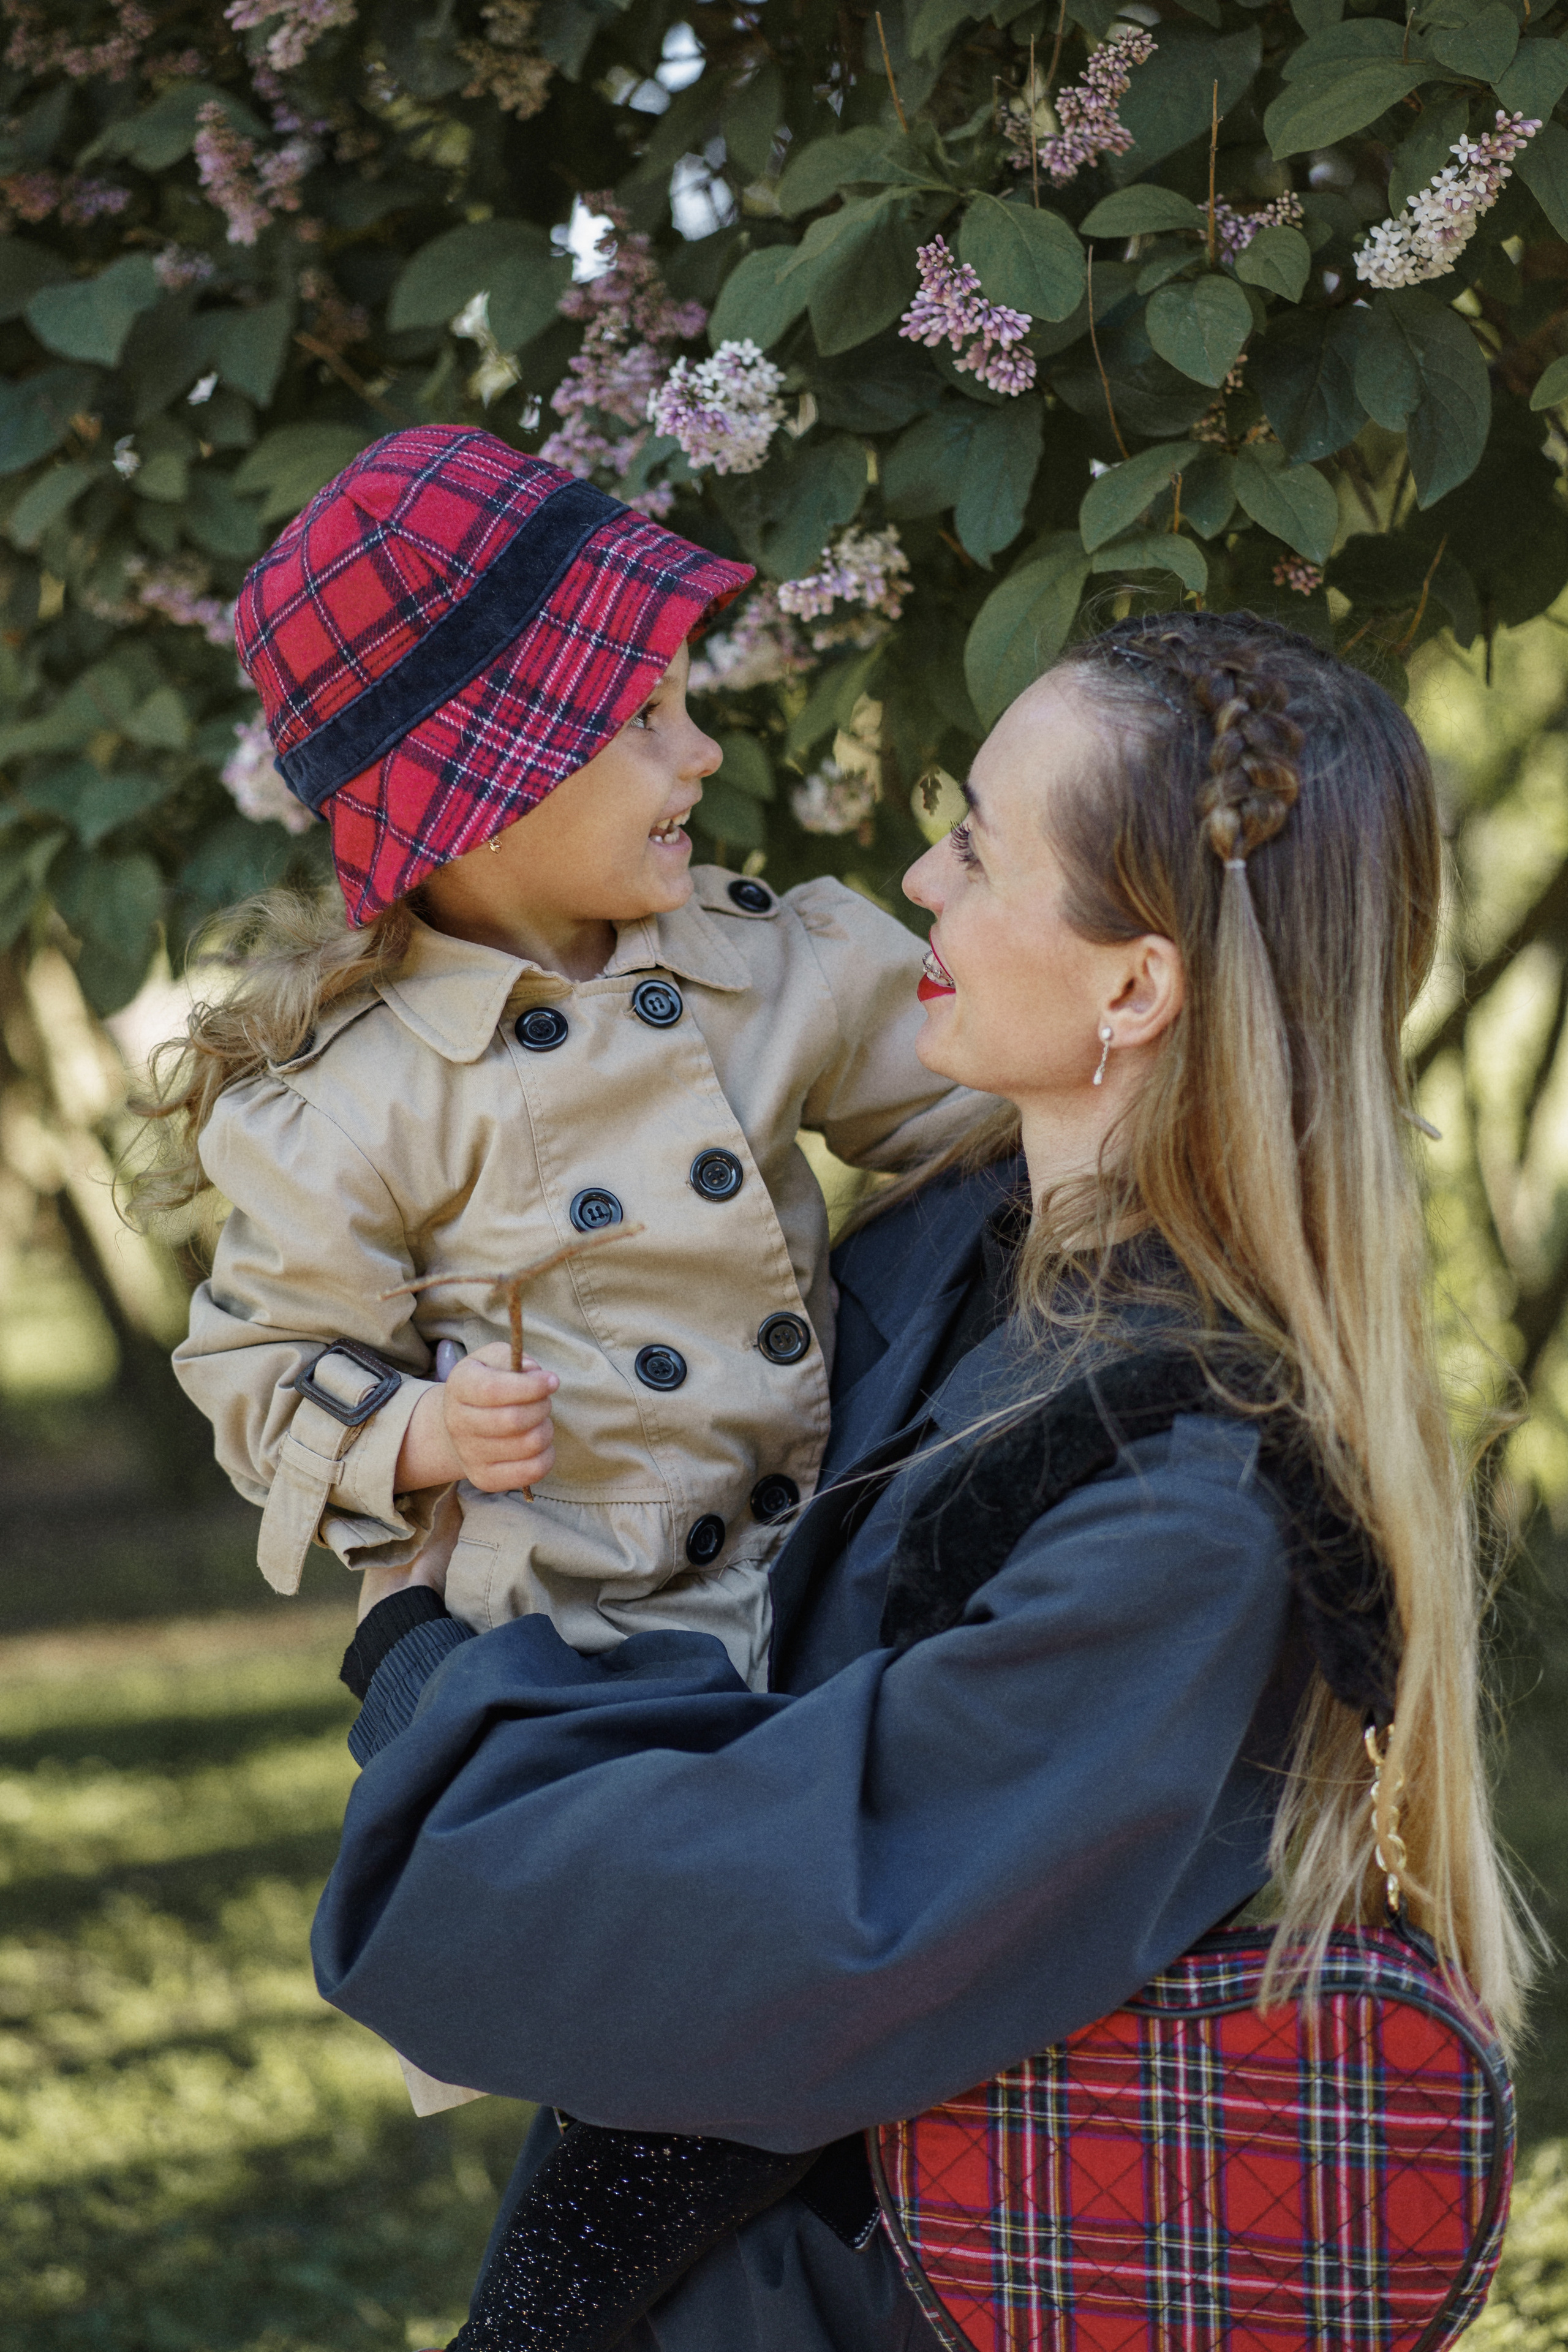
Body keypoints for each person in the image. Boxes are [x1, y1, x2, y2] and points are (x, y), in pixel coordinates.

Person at [311, 606, 1532, 2352]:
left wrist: (430, 1663)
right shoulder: (964, 1251)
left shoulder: (1188, 1496)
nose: (917, 876)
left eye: (973, 842)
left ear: (1134, 985)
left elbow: (776, 1932)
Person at [137, 422, 977, 2109]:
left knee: (826, 2032)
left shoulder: (751, 966)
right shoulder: (363, 1099)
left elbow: (977, 1102)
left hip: (811, 1592)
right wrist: (419, 1439)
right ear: (491, 781)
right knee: (660, 2059)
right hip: (567, 1663)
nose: (699, 751)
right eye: (646, 716)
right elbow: (255, 1362)